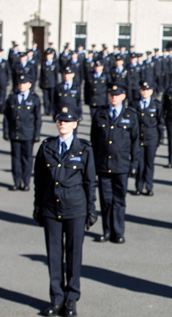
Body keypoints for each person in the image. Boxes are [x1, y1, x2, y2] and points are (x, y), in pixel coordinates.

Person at [33, 106, 97, 317]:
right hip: (51, 208)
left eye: (67, 121)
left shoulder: (84, 149)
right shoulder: (47, 147)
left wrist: (90, 209)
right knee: (53, 256)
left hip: (75, 208)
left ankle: (71, 299)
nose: (63, 124)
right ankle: (56, 299)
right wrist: (38, 207)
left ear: (75, 124)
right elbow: (40, 181)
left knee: (73, 255)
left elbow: (89, 182)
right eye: (60, 121)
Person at [90, 83, 139, 244]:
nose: (113, 98)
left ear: (123, 96)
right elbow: (94, 141)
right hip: (103, 164)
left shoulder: (130, 115)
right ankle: (107, 231)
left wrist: (134, 164)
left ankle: (118, 232)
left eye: (117, 95)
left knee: (119, 201)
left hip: (122, 165)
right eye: (111, 95)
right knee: (105, 200)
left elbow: (135, 142)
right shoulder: (100, 114)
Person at [3, 74, 42, 191]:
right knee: (15, 158)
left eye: (24, 83)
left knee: (27, 158)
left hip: (28, 134)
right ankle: (16, 181)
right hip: (15, 132)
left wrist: (37, 134)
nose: (21, 86)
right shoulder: (12, 98)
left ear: (29, 85)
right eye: (20, 83)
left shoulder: (34, 99)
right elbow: (6, 117)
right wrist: (5, 131)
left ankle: (26, 182)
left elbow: (37, 118)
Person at [130, 81, 164, 196]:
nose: (145, 92)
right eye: (143, 90)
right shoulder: (134, 104)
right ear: (140, 91)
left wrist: (161, 137)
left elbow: (160, 122)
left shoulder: (156, 105)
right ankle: (138, 187)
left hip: (151, 138)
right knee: (139, 164)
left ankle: (149, 187)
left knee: (149, 164)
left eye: (147, 90)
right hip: (138, 139)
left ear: (151, 91)